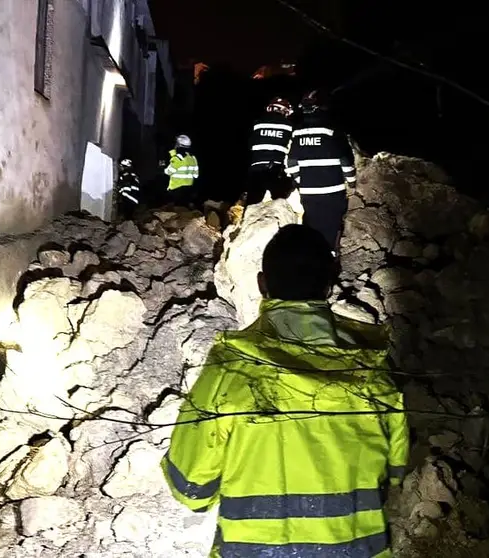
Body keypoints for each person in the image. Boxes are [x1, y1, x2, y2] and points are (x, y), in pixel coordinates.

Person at [162, 224, 409, 558]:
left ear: (262, 284)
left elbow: (190, 488)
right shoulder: (372, 370)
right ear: (330, 282)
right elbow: (395, 474)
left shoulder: (231, 369)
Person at [285, 90, 358, 253]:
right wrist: (352, 182)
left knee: (311, 223)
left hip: (308, 192)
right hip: (332, 190)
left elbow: (291, 162)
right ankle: (331, 255)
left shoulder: (298, 132)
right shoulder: (332, 130)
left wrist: (299, 181)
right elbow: (345, 160)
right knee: (332, 224)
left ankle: (311, 254)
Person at [247, 97, 294, 204]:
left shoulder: (257, 123)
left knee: (253, 202)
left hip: (256, 167)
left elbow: (250, 144)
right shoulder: (288, 125)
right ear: (285, 111)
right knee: (280, 200)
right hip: (275, 168)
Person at [164, 134, 199, 208]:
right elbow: (196, 175)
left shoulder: (177, 158)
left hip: (176, 190)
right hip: (188, 190)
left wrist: (173, 158)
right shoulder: (193, 158)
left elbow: (168, 172)